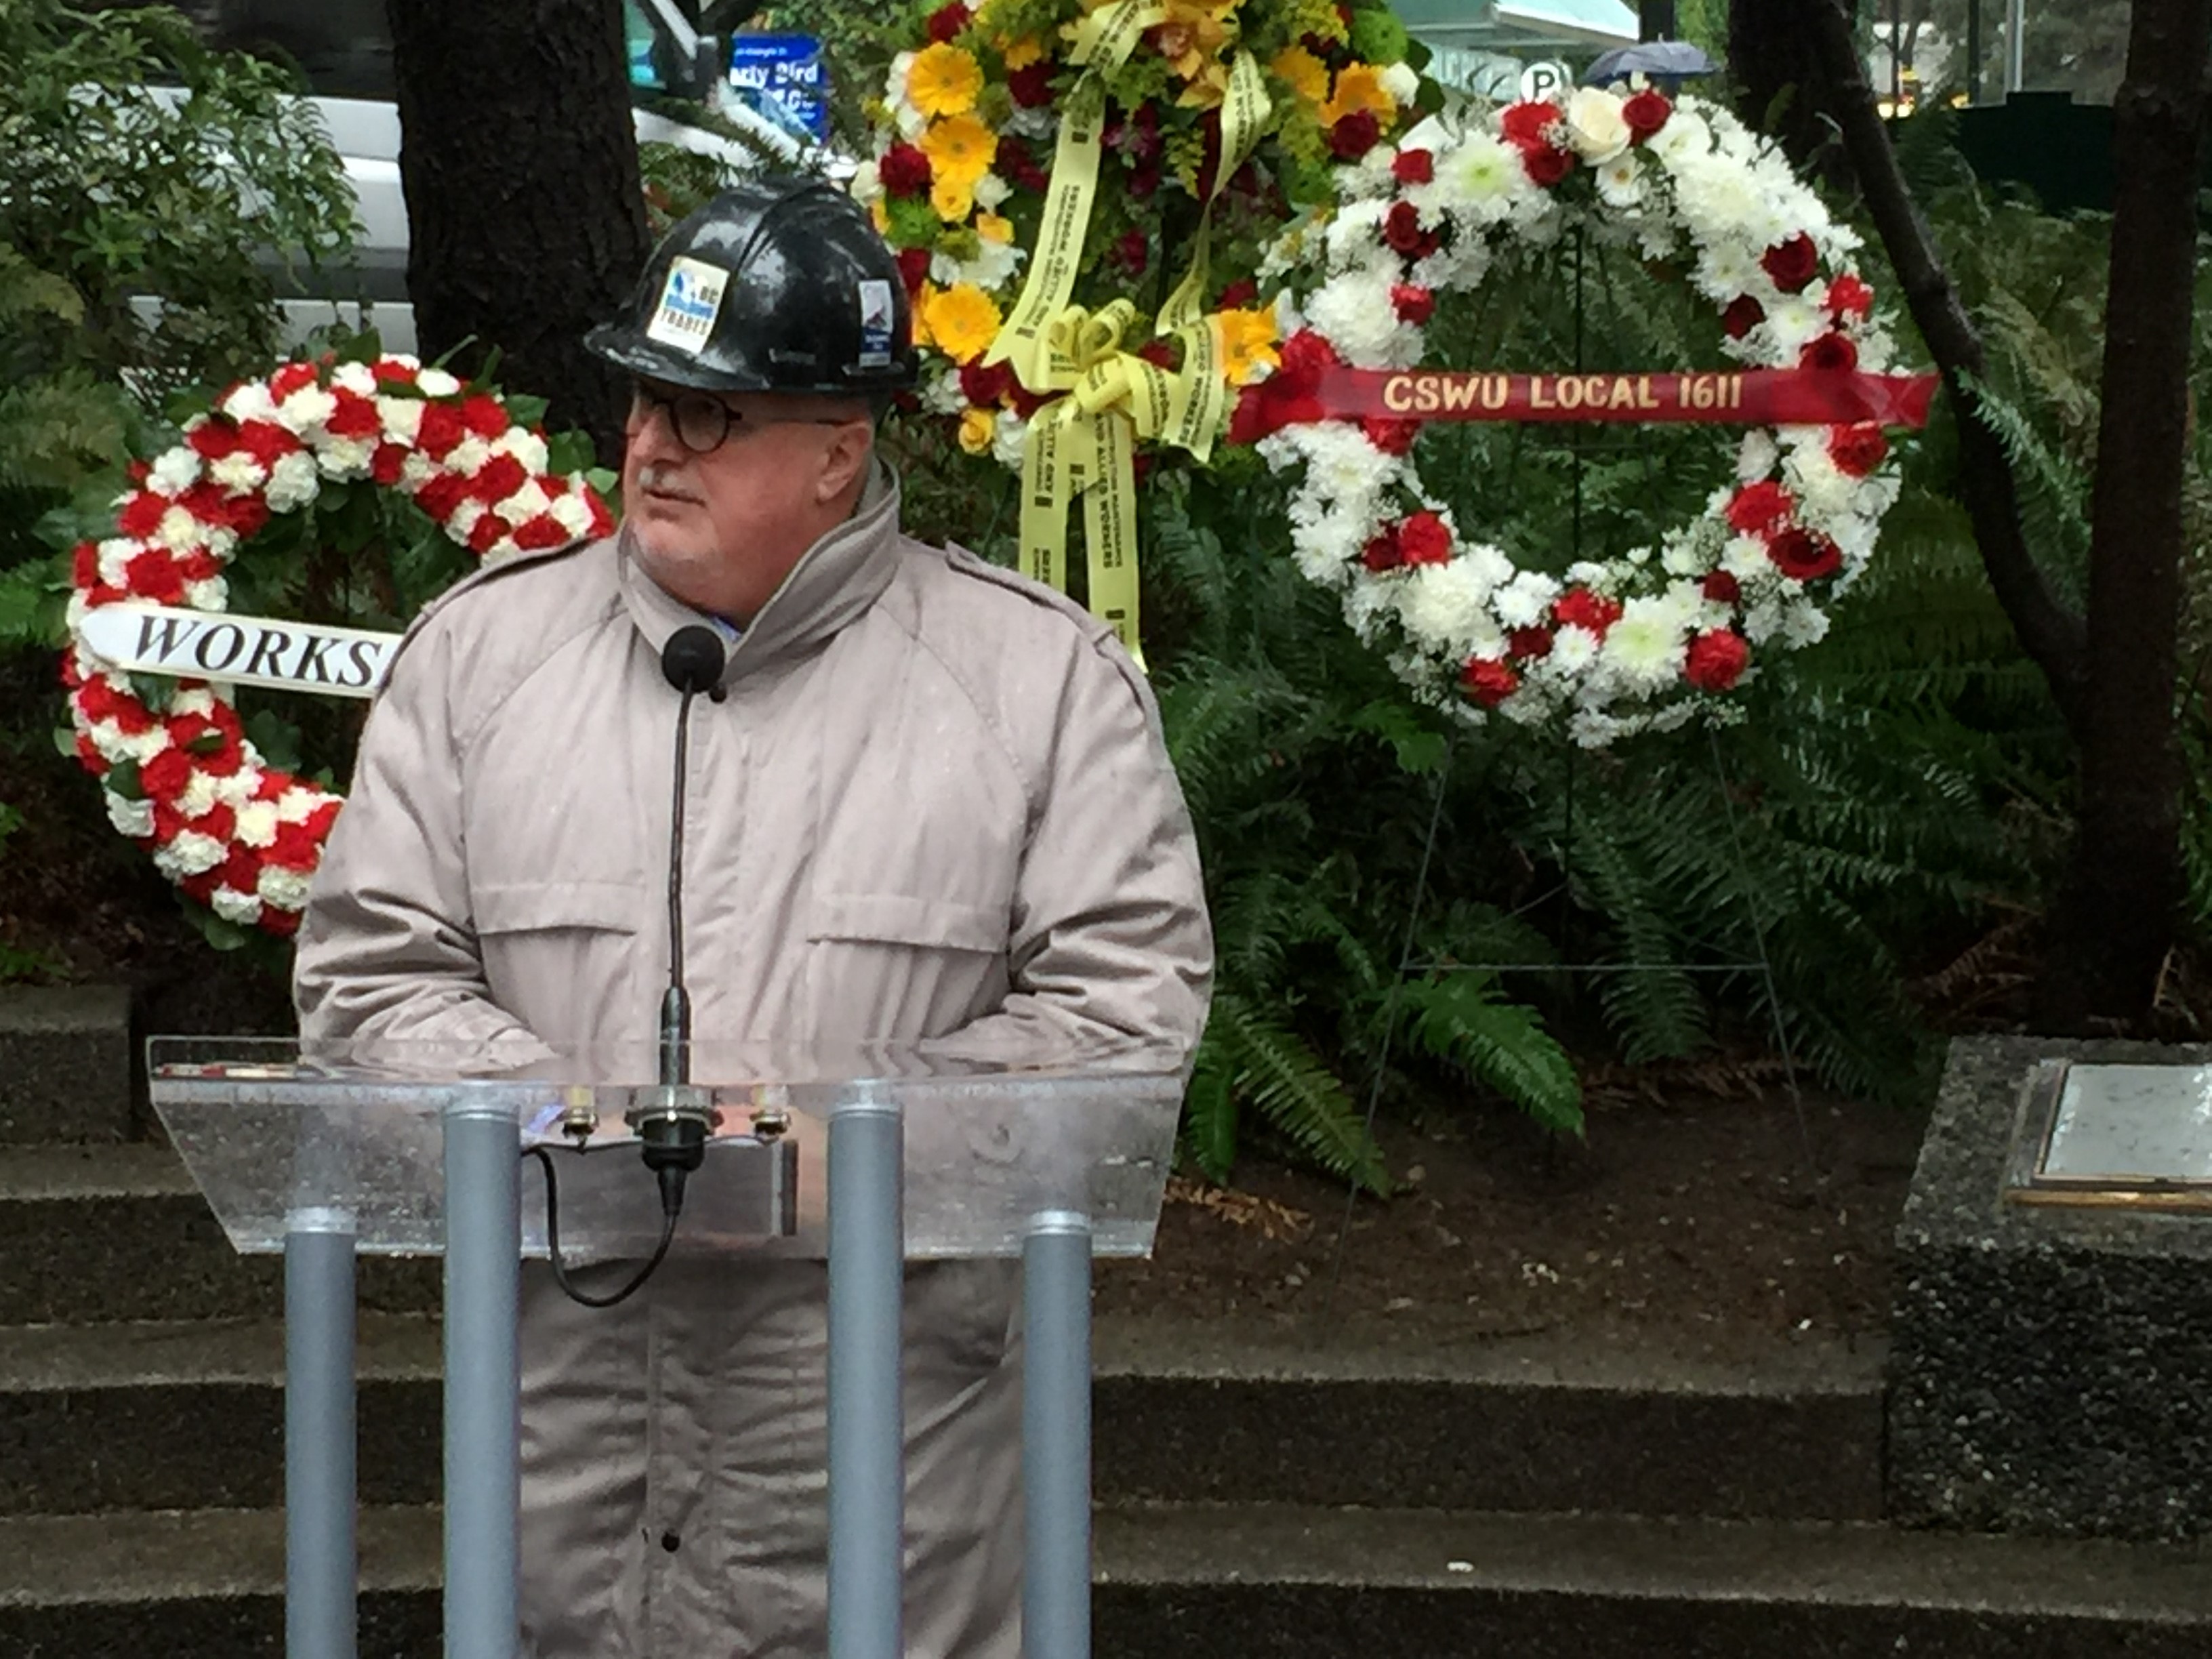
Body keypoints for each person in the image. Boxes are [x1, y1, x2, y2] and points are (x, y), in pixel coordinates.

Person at [293, 177, 1213, 1658]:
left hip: (876, 1485)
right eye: (647, 398)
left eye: (710, 415)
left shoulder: (1038, 688)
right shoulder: (478, 660)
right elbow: (366, 981)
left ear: (840, 455)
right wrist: (573, 1134)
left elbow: (1123, 1035)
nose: (653, 444)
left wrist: (820, 1151)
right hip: (557, 1469)